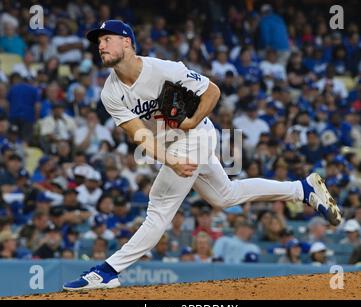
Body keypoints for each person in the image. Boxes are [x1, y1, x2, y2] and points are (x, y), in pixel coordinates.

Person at [63, 20, 342, 290]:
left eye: (107, 39)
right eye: (99, 41)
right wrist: (171, 160)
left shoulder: (162, 69)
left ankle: (108, 271)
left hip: (197, 134)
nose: (101, 46)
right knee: (225, 196)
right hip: (171, 144)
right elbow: (141, 135)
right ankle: (302, 189)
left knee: (158, 208)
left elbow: (212, 90)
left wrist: (192, 120)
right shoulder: (110, 93)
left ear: (127, 42)